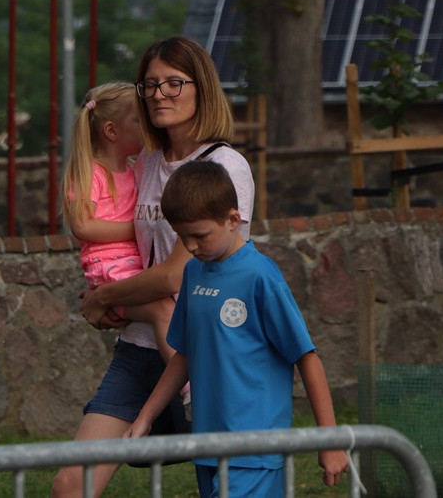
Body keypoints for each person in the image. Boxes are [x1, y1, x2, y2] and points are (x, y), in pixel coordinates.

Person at [51, 36, 255, 497]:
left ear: (201, 86)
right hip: (144, 347)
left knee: (227, 485)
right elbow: (116, 234)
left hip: (207, 347)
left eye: (174, 83)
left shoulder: (224, 165)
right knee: (70, 484)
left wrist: (105, 297)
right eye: (150, 85)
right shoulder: (144, 163)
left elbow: (174, 274)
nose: (160, 94)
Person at [125, 160, 349, 497]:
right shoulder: (193, 273)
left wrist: (330, 442)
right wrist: (146, 416)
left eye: (199, 235)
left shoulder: (261, 276)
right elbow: (184, 354)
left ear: (233, 219)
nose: (190, 246)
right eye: (182, 237)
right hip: (206, 445)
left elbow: (306, 357)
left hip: (254, 448)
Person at [60, 82, 177, 366]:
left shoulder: (136, 168)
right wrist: (138, 228)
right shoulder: (91, 173)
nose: (148, 124)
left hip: (130, 266)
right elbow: (82, 226)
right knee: (163, 309)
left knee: (172, 303)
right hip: (109, 269)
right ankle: (189, 387)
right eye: (139, 120)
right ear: (111, 131)